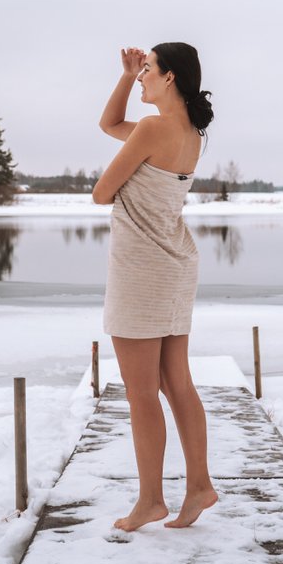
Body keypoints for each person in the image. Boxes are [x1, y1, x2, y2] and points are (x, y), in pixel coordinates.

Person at [92, 43, 219, 532]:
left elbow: (102, 193)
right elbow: (110, 126)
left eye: (146, 71)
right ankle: (199, 485)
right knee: (175, 382)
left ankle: (150, 501)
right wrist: (124, 76)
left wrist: (120, 188)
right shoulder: (190, 132)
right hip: (176, 264)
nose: (142, 77)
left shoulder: (151, 129)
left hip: (142, 270)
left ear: (169, 78)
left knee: (142, 392)